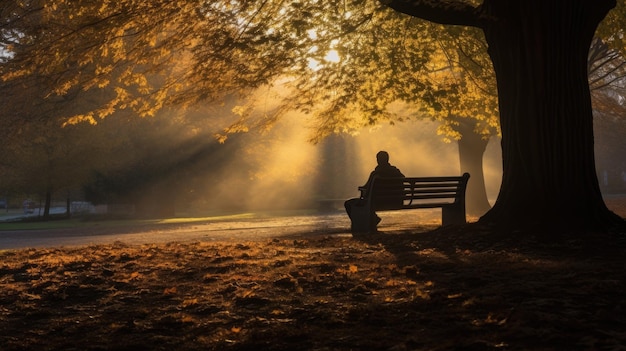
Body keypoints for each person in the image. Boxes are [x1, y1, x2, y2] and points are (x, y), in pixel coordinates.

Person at [344, 151, 404, 232]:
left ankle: (373, 218)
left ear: (378, 160)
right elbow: (403, 181)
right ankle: (373, 218)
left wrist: (362, 191)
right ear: (387, 159)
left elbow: (367, 189)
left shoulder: (375, 174)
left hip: (378, 202)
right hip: (396, 201)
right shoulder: (397, 172)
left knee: (348, 204)